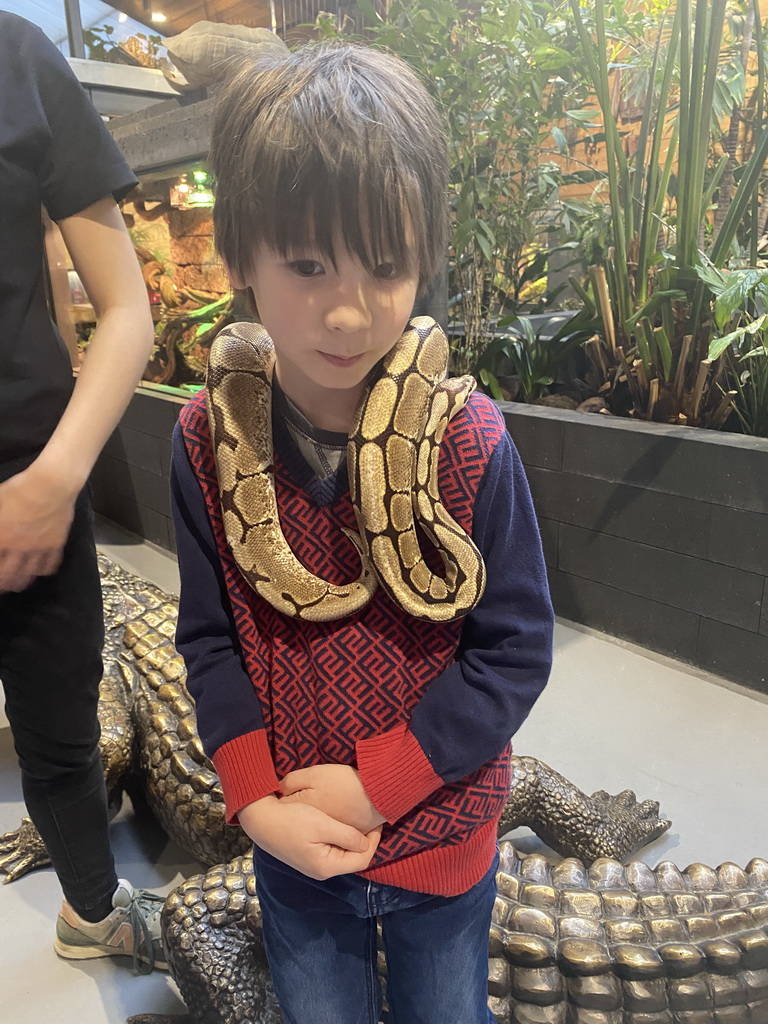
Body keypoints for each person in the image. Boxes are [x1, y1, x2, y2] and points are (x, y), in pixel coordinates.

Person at [171, 43, 554, 1023]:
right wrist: (257, 803)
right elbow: (210, 640)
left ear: (424, 257)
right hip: (292, 847)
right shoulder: (205, 439)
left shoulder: (469, 444)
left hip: (442, 836)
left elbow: (511, 654)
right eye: (306, 264)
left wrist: (382, 785)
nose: (348, 309)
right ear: (242, 258)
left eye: (385, 266)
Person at [0, 13, 165, 972]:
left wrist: (56, 479)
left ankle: (93, 913)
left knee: (62, 731)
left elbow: (124, 304)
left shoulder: (21, 59)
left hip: (36, 480)